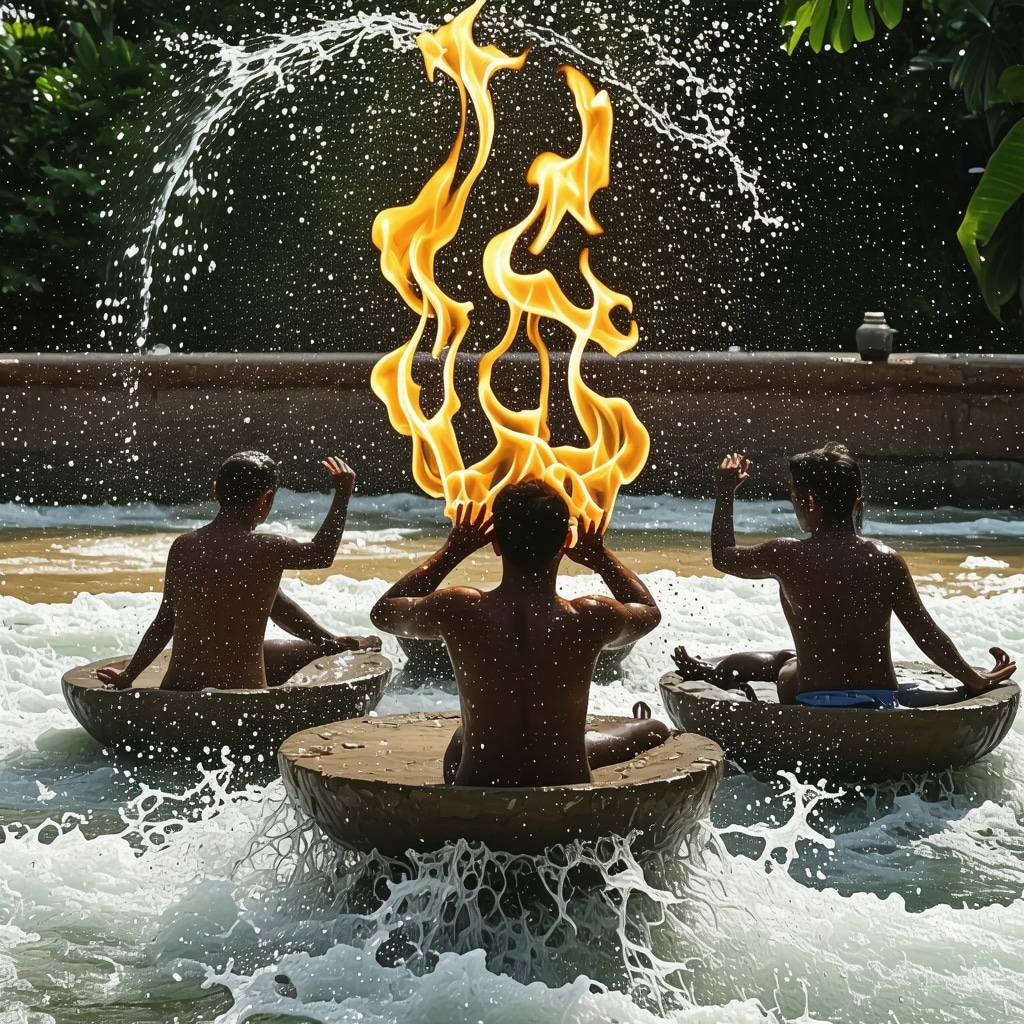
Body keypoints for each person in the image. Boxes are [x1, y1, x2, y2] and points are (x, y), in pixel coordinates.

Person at [370, 479, 669, 786]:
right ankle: (590, 741)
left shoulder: (460, 608)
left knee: (462, 737)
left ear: (495, 543)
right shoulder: (590, 616)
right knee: (655, 730)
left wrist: (454, 549)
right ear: (566, 541)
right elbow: (649, 611)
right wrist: (599, 556)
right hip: (566, 785)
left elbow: (383, 612)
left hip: (478, 784)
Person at [672, 444, 1016, 706]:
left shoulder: (786, 554)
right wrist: (974, 680)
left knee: (783, 662)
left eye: (793, 498)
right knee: (792, 660)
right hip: (881, 696)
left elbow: (723, 556)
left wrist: (725, 492)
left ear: (808, 502)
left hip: (809, 696)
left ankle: (714, 674)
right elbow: (926, 634)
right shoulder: (886, 560)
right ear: (856, 503)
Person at [97, 451, 380, 692]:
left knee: (319, 647)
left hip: (178, 691)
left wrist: (129, 675)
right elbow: (321, 554)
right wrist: (343, 494)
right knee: (329, 649)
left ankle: (328, 644)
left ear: (215, 490)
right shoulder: (268, 547)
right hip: (242, 698)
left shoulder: (183, 546)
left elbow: (165, 620)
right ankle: (332, 647)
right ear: (266, 499)